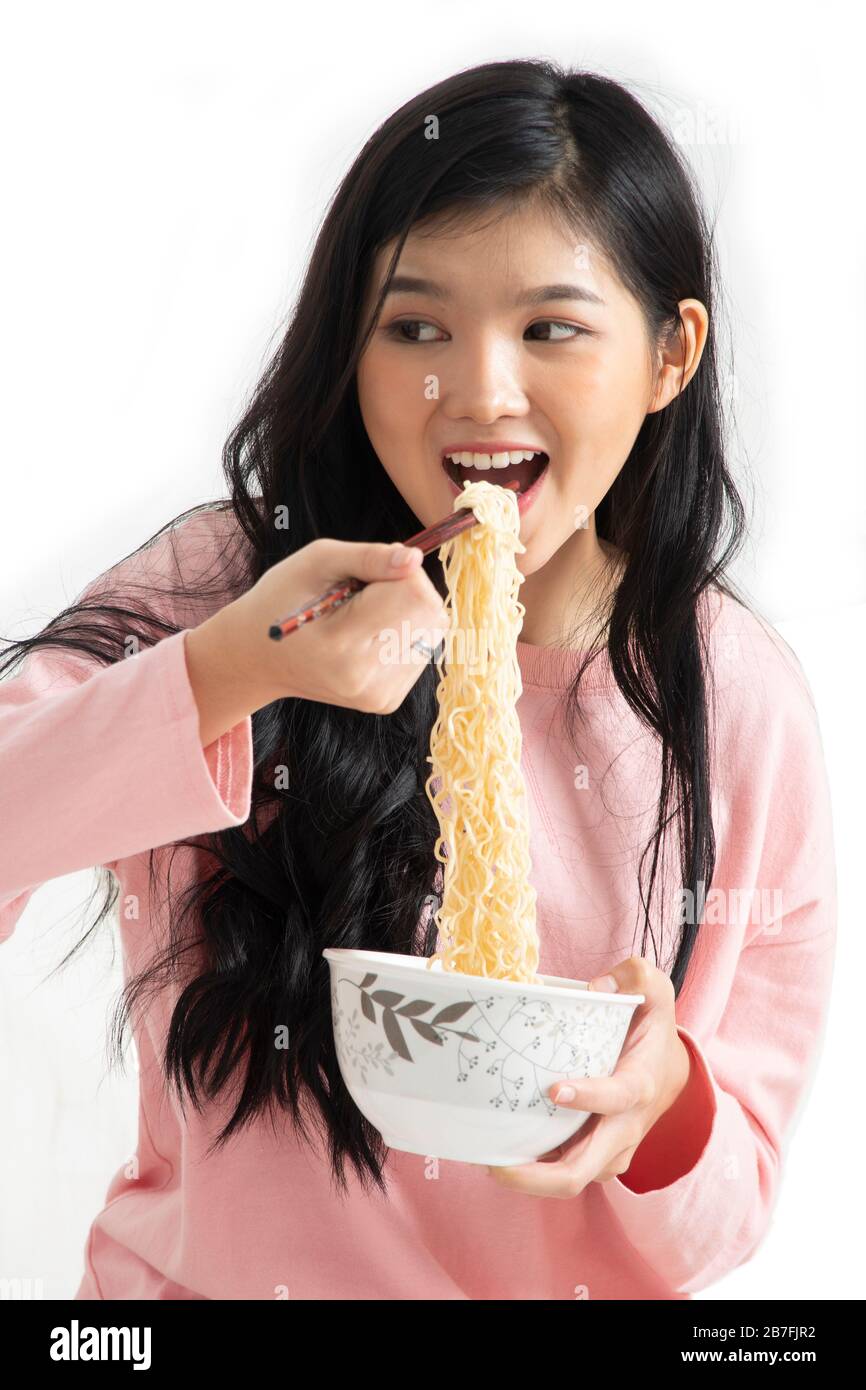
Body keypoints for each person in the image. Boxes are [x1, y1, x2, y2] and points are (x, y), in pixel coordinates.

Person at [0, 59, 836, 1300]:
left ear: (669, 355)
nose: (477, 392)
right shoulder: (232, 589)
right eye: (414, 326)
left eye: (549, 326)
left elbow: (726, 1215)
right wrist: (225, 669)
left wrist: (662, 1103)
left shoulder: (734, 703)